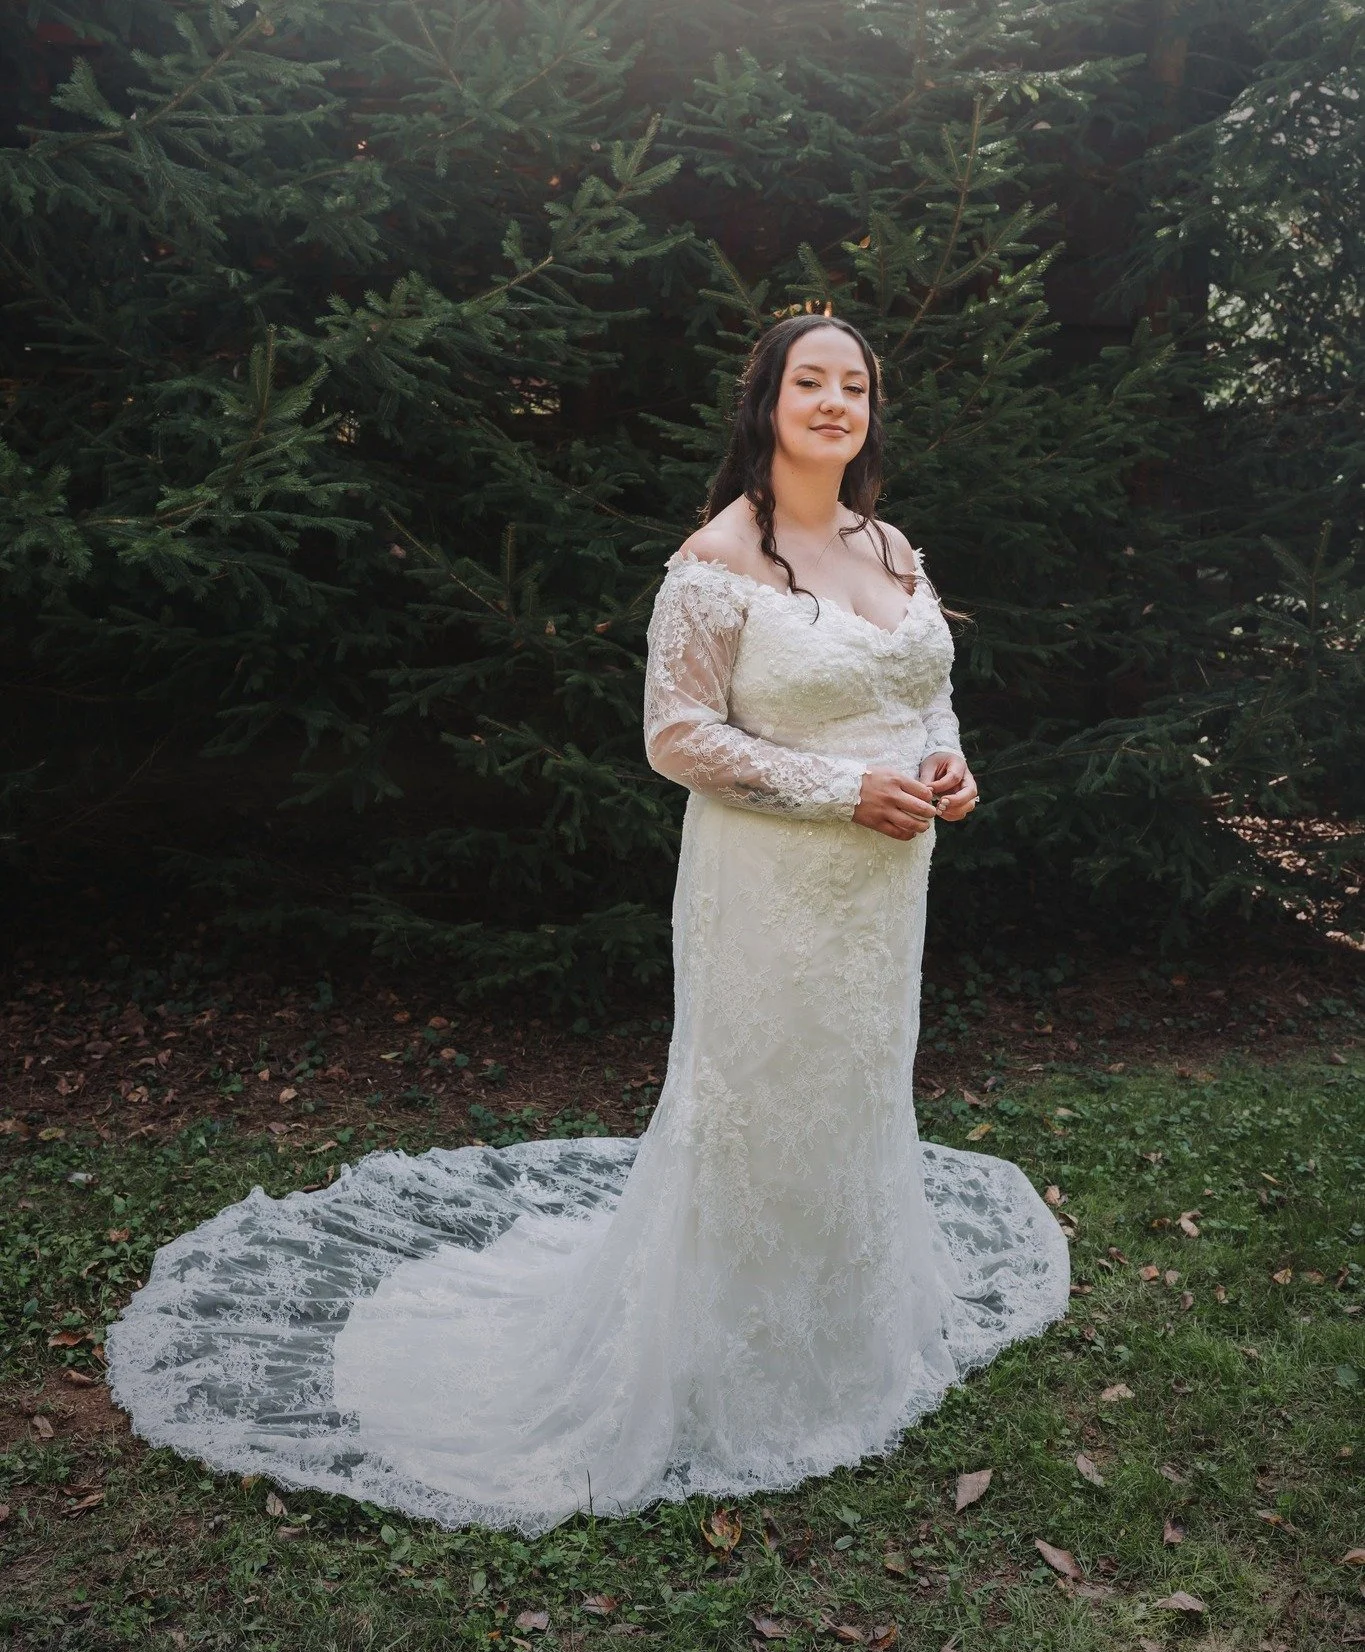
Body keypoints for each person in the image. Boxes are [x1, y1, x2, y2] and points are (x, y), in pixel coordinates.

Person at [106, 314, 1068, 1537]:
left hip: (887, 886)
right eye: (810, 382)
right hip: (771, 880)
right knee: (756, 1095)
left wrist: (946, 763)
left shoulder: (889, 546)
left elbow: (926, 691)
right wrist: (841, 788)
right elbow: (675, 735)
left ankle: (843, 1327)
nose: (836, 401)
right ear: (767, 402)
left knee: (855, 1083)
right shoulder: (717, 558)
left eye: (856, 385)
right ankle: (720, 1357)